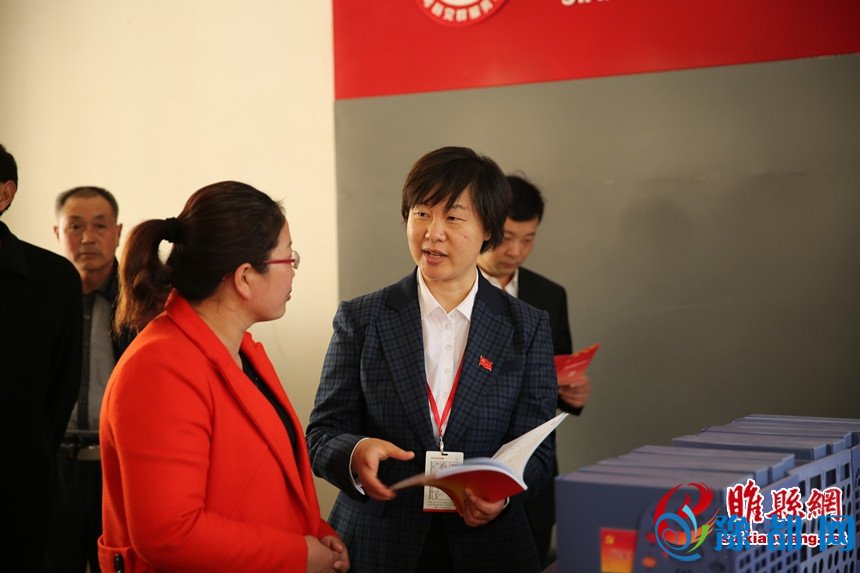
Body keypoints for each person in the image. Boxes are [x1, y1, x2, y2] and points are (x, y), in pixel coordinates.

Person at [307, 147, 558, 572]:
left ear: (488, 229)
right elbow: (322, 433)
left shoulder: (526, 326)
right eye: (421, 213)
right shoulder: (362, 318)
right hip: (381, 542)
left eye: (453, 218)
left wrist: (500, 497)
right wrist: (354, 452)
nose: (432, 233)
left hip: (490, 546)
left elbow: (539, 449)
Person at [98, 181, 349, 572]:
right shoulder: (159, 369)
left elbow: (264, 478)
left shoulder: (240, 348)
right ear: (245, 277)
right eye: (288, 257)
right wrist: (298, 555)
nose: (293, 270)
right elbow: (170, 534)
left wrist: (315, 531)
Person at [477, 173, 591, 567]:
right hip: (471, 472)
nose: (516, 251)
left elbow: (559, 372)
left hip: (532, 477)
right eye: (507, 237)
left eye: (529, 239)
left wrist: (573, 393)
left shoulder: (549, 295)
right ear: (484, 226)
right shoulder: (451, 291)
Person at [0, 143, 83, 571]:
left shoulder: (51, 280)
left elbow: (62, 387)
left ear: (4, 194)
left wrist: (29, 452)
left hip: (15, 488)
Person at [48, 186, 131, 573]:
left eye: (99, 226)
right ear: (57, 233)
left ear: (118, 231)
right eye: (75, 226)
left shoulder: (141, 301)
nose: (87, 238)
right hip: (54, 466)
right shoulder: (43, 300)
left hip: (117, 469)